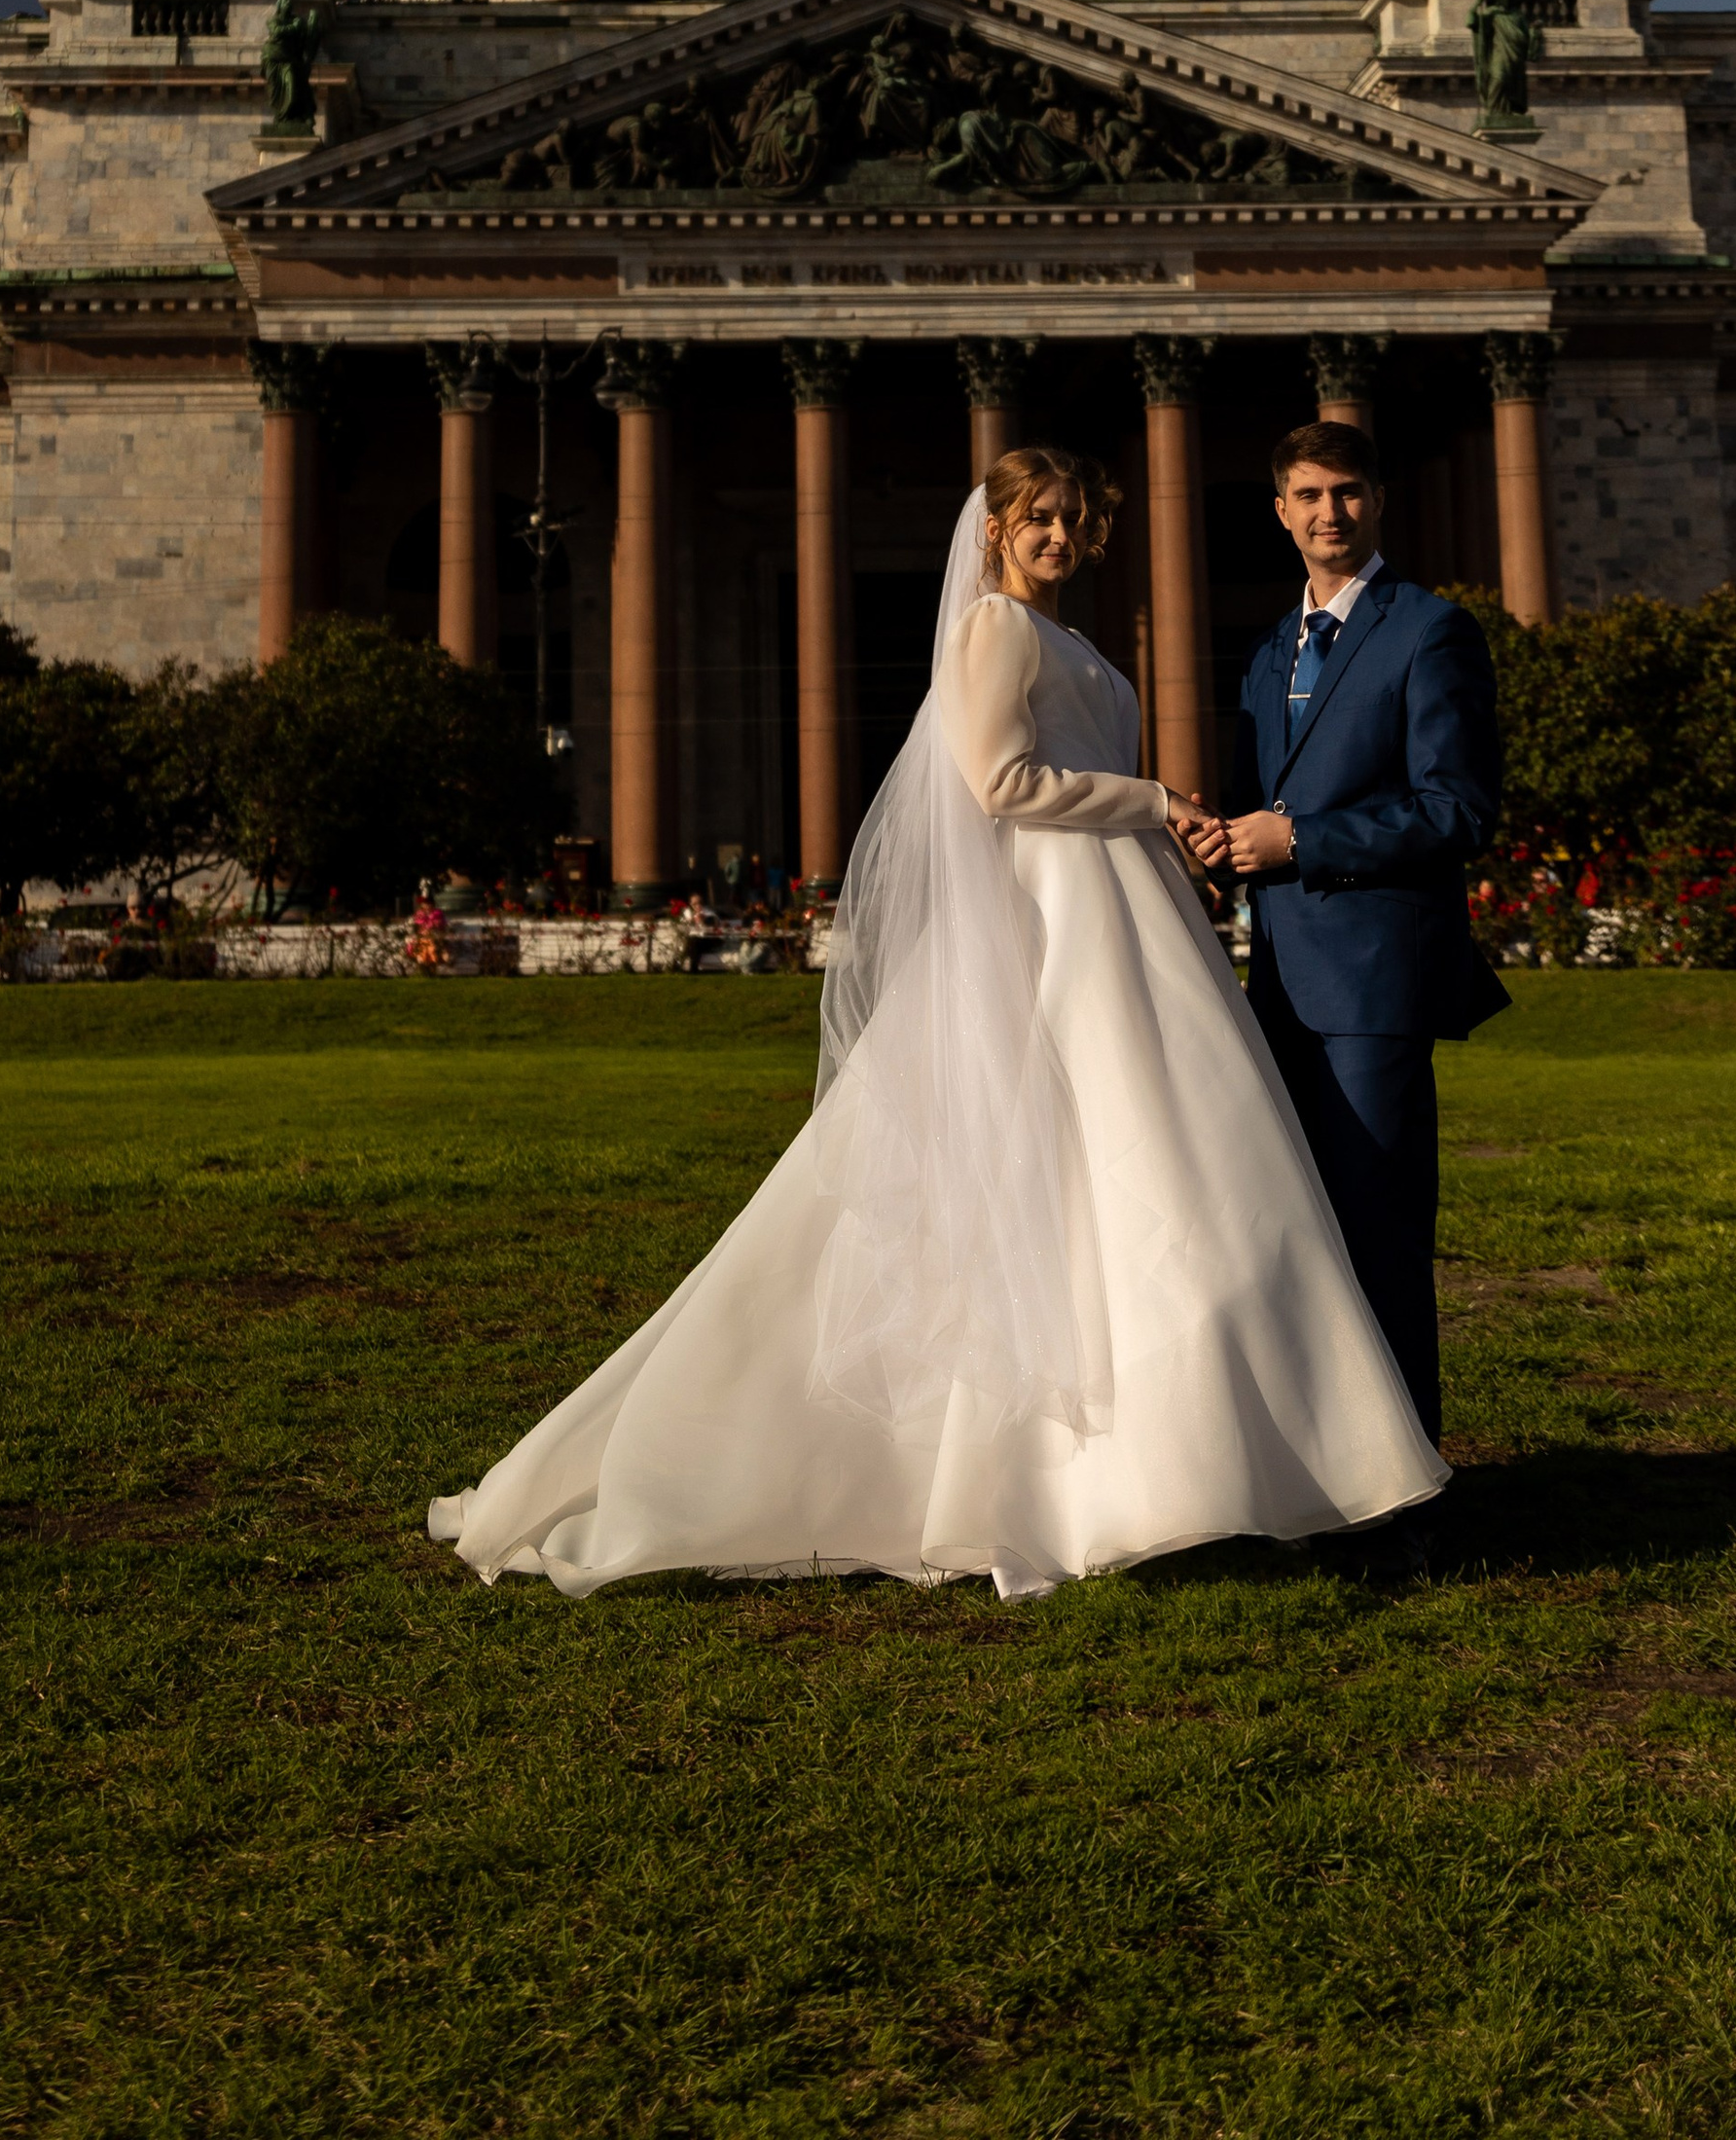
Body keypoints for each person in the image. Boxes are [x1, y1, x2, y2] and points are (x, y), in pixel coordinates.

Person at [428, 449, 1443, 1599]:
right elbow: (1000, 785)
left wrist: (1158, 831)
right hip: (1062, 923)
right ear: (996, 531)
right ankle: (1103, 1476)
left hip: (1116, 922)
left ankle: (1193, 1471)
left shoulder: (1070, 643)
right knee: (1118, 1176)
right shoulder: (993, 630)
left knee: (1151, 1184)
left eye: (1072, 518)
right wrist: (1154, 801)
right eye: (1037, 519)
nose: (1058, 536)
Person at [1211, 421, 1505, 1564]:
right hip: (1277, 985)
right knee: (1299, 1238)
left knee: (1379, 1233)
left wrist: (1300, 841)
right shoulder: (1268, 648)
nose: (1328, 512)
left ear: (1375, 501)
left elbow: (1458, 808)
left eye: (1346, 492)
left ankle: (1404, 1497)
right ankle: (1326, 1470)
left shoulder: (1430, 630)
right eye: (1305, 495)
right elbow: (1254, 812)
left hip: (1375, 986)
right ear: (1278, 512)